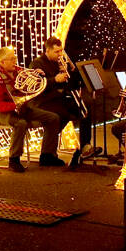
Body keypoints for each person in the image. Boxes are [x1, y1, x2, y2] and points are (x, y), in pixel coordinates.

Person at [29, 37, 102, 167]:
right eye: (57, 52)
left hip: (59, 99)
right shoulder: (37, 64)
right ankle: (47, 154)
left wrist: (72, 73)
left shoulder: (61, 62)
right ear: (48, 51)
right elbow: (36, 86)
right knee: (60, 115)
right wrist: (54, 80)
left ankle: (85, 146)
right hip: (44, 101)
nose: (60, 54)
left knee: (84, 108)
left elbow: (70, 84)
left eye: (61, 51)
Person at [0, 47, 61, 172]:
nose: (14, 61)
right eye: (11, 59)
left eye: (15, 58)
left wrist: (37, 74)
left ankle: (47, 155)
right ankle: (14, 159)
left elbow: (31, 84)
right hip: (5, 113)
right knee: (20, 123)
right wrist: (15, 105)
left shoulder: (19, 71)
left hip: (23, 108)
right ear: (2, 62)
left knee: (53, 118)